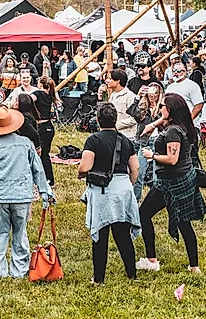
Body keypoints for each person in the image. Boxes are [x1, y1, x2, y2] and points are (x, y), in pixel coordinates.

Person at [0, 106, 53, 279]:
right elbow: (38, 170)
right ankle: (19, 270)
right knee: (20, 232)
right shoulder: (25, 144)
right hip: (21, 196)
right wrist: (45, 192)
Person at [137, 93, 206, 273]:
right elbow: (165, 120)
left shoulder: (173, 131)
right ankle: (194, 266)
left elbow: (171, 159)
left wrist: (151, 156)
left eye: (163, 106)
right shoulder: (182, 126)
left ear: (171, 110)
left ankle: (152, 261)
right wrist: (154, 124)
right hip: (183, 178)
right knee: (183, 222)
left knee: (143, 214)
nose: (160, 108)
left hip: (170, 182)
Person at [78, 103, 140, 285]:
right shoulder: (125, 140)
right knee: (122, 234)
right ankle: (132, 274)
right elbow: (135, 168)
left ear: (97, 120)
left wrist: (80, 173)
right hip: (123, 187)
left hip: (102, 190)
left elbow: (86, 166)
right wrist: (130, 184)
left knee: (101, 234)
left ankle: (99, 279)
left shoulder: (93, 140)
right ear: (116, 120)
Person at [129, 83, 164, 201]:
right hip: (143, 142)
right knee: (139, 172)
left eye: (154, 93)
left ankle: (156, 200)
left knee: (156, 174)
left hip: (157, 142)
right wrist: (138, 97)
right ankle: (135, 199)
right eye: (150, 93)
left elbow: (165, 124)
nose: (152, 96)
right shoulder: (143, 108)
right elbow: (134, 114)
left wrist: (157, 111)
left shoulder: (162, 109)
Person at [101, 69, 137, 139]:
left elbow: (134, 119)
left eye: (110, 79)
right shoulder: (112, 95)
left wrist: (116, 125)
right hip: (114, 135)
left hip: (128, 136)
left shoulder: (130, 96)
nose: (107, 81)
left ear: (118, 81)